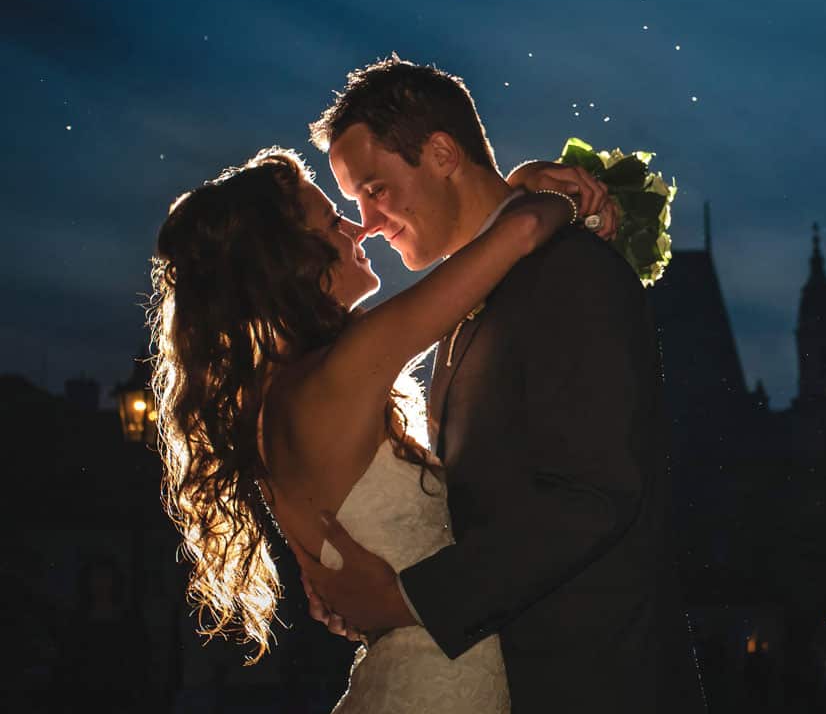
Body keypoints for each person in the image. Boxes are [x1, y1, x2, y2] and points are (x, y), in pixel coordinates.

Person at [292, 58, 703, 711]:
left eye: (374, 188)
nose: (366, 220)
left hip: (594, 688)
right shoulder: (477, 297)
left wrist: (404, 600)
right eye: (354, 203)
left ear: (443, 153)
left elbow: (593, 496)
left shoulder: (569, 272)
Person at [150, 143, 586, 711]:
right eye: (332, 219)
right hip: (444, 685)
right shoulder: (346, 369)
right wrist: (539, 187)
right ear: (289, 258)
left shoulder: (266, 411)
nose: (357, 228)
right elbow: (526, 226)